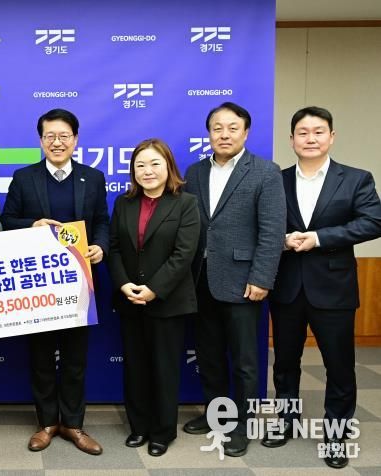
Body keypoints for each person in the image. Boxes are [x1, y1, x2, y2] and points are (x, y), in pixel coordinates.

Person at [264, 106, 381, 469]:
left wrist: (318, 237)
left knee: (339, 365)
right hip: (286, 286)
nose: (310, 138)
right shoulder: (276, 180)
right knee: (285, 362)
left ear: (331, 137)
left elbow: (372, 222)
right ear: (292, 139)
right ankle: (286, 420)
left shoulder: (356, 179)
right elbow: (261, 226)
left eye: (318, 132)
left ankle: (336, 433)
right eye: (303, 132)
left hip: (333, 288)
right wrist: (282, 242)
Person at [1, 108, 109, 456]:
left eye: (64, 136)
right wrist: (31, 225)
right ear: (41, 140)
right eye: (50, 136)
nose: (57, 142)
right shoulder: (24, 177)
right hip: (39, 287)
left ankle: (73, 424)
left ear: (75, 139)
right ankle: (47, 423)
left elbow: (102, 221)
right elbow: (6, 220)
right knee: (42, 357)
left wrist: (100, 246)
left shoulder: (93, 178)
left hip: (80, 285)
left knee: (76, 359)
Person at [182, 102, 286, 457]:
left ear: (246, 132)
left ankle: (241, 425)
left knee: (244, 360)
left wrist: (262, 277)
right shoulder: (195, 172)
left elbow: (272, 232)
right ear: (209, 133)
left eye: (232, 128)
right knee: (209, 355)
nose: (224, 134)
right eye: (217, 128)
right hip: (201, 280)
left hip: (244, 281)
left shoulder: (265, 172)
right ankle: (217, 416)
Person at [108, 138, 200, 457]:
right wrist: (124, 284)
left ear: (168, 166)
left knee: (164, 369)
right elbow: (114, 248)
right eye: (140, 165)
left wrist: (154, 289)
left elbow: (184, 254)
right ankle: (139, 427)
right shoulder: (124, 203)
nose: (147, 171)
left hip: (167, 301)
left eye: (154, 164)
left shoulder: (185, 203)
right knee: (135, 368)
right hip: (129, 300)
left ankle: (162, 432)